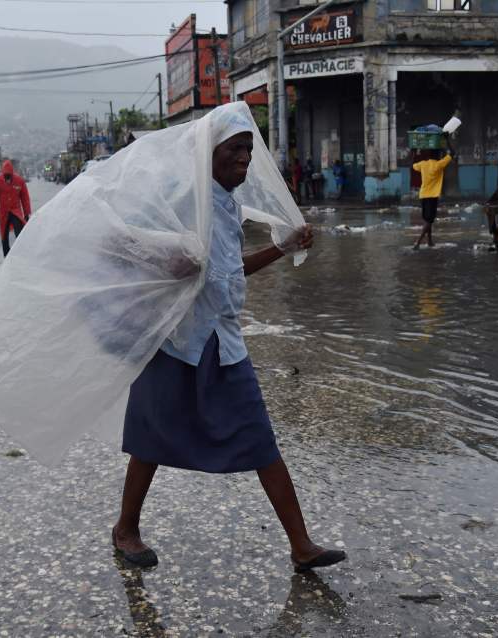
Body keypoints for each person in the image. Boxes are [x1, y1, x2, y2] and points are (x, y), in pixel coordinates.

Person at [112, 107, 347, 574]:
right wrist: (168, 264)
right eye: (234, 149)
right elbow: (124, 243)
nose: (243, 158)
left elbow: (228, 269)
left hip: (222, 339)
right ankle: (125, 529)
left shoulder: (228, 205)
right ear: (209, 152)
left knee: (260, 438)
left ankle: (301, 545)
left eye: (247, 149)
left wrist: (282, 248)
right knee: (150, 440)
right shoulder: (181, 199)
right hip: (176, 339)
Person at [0, 159, 31, 256]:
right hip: (3, 212)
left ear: (12, 174)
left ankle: (21, 254)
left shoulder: (20, 181)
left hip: (16, 211)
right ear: (2, 174)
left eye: (9, 176)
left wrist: (27, 213)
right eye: (5, 176)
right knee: (4, 236)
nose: (7, 178)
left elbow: (25, 198)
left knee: (19, 233)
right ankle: (6, 256)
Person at [412, 148, 453, 249]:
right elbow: (453, 153)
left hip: (423, 195)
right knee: (429, 221)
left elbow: (413, 166)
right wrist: (447, 140)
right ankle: (418, 241)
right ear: (437, 155)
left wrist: (414, 153)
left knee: (427, 219)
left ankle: (430, 241)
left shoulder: (422, 164)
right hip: (432, 196)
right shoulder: (439, 164)